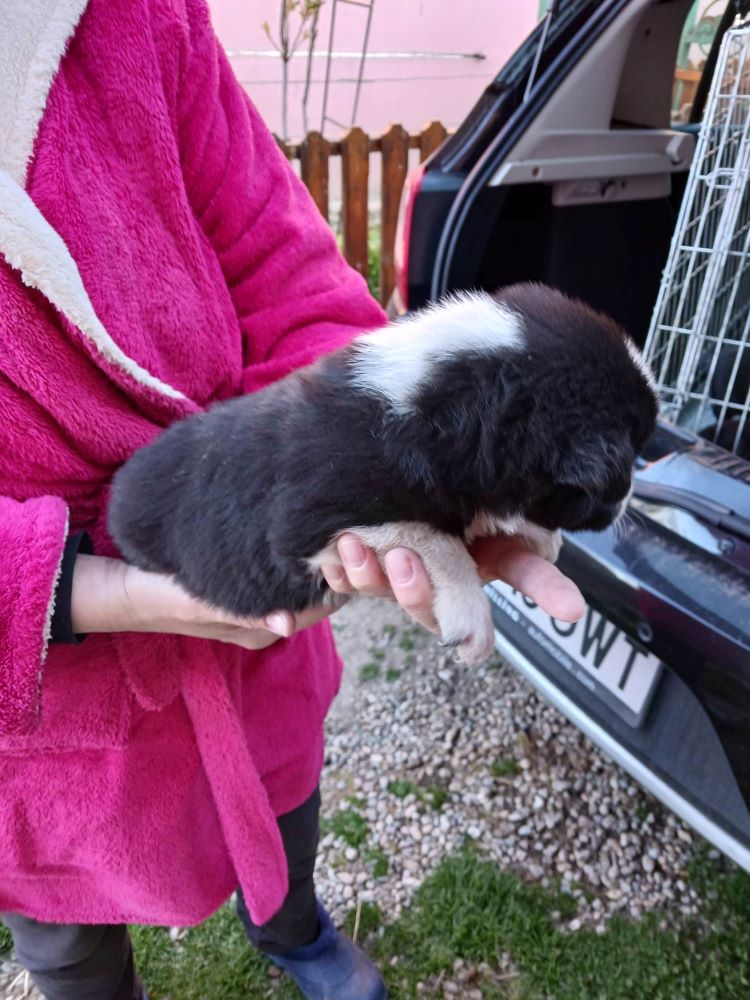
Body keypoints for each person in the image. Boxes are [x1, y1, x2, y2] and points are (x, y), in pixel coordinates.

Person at [0, 1, 585, 998]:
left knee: (281, 800)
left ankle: (295, 929)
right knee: (62, 924)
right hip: (50, 690)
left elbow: (281, 259)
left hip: (259, 528)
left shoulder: (113, 14)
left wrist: (386, 454)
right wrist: (95, 590)